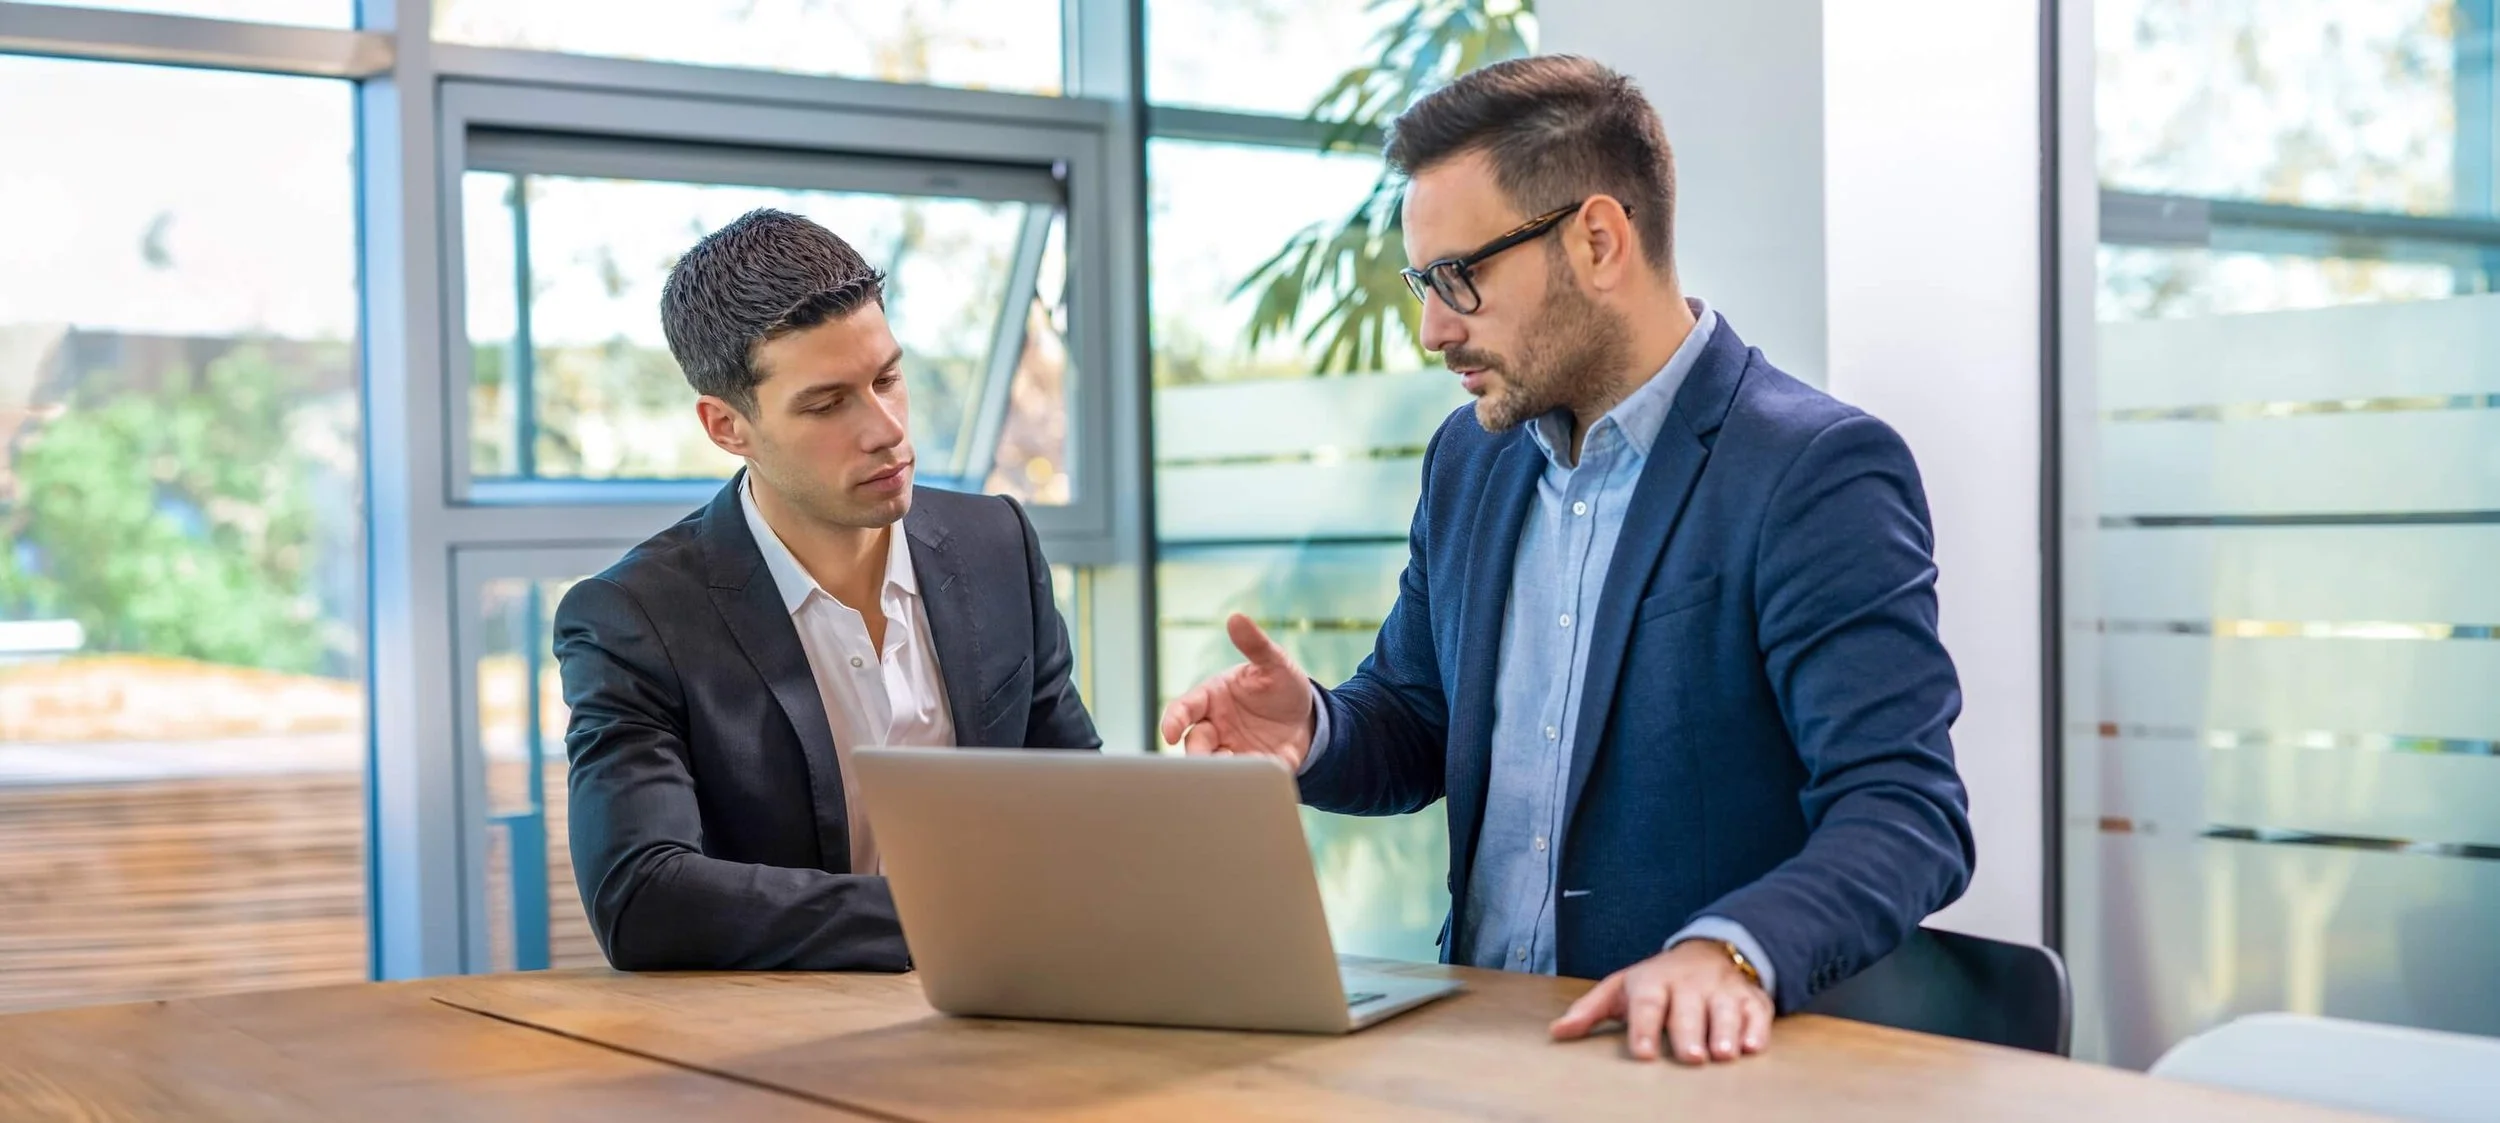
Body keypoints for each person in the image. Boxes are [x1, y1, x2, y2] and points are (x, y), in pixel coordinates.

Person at [1158, 55, 1973, 1064]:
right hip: (1478, 1048)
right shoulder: (1470, 459)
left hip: (1682, 1070)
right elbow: (1419, 718)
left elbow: (1902, 810)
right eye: (1423, 282)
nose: (1430, 327)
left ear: (1596, 240)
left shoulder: (1812, 471)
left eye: (1460, 278)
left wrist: (1730, 953)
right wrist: (1315, 728)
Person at [555, 208, 1099, 972]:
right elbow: (643, 896)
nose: (886, 430)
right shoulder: (635, 619)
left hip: (1019, 1014)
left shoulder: (997, 545)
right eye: (827, 402)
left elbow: (1078, 804)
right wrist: (951, 915)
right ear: (726, 427)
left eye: (887, 379)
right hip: (773, 1058)